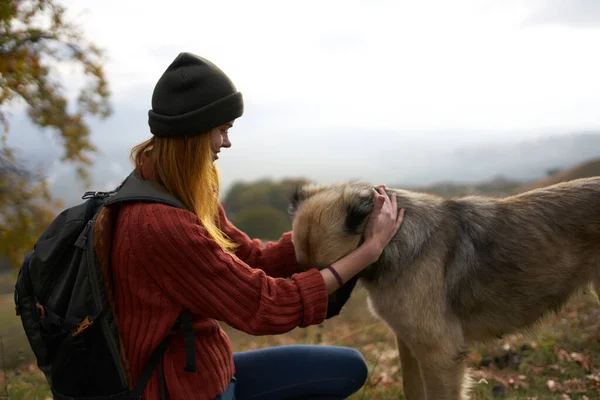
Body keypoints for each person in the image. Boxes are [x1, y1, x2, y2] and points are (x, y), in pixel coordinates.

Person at [111, 52, 405, 400]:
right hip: (178, 389)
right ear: (192, 135)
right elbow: (265, 306)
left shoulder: (180, 193)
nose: (227, 142)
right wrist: (367, 252)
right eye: (221, 131)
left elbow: (251, 257)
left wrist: (331, 226)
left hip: (208, 370)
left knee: (349, 367)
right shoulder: (158, 225)